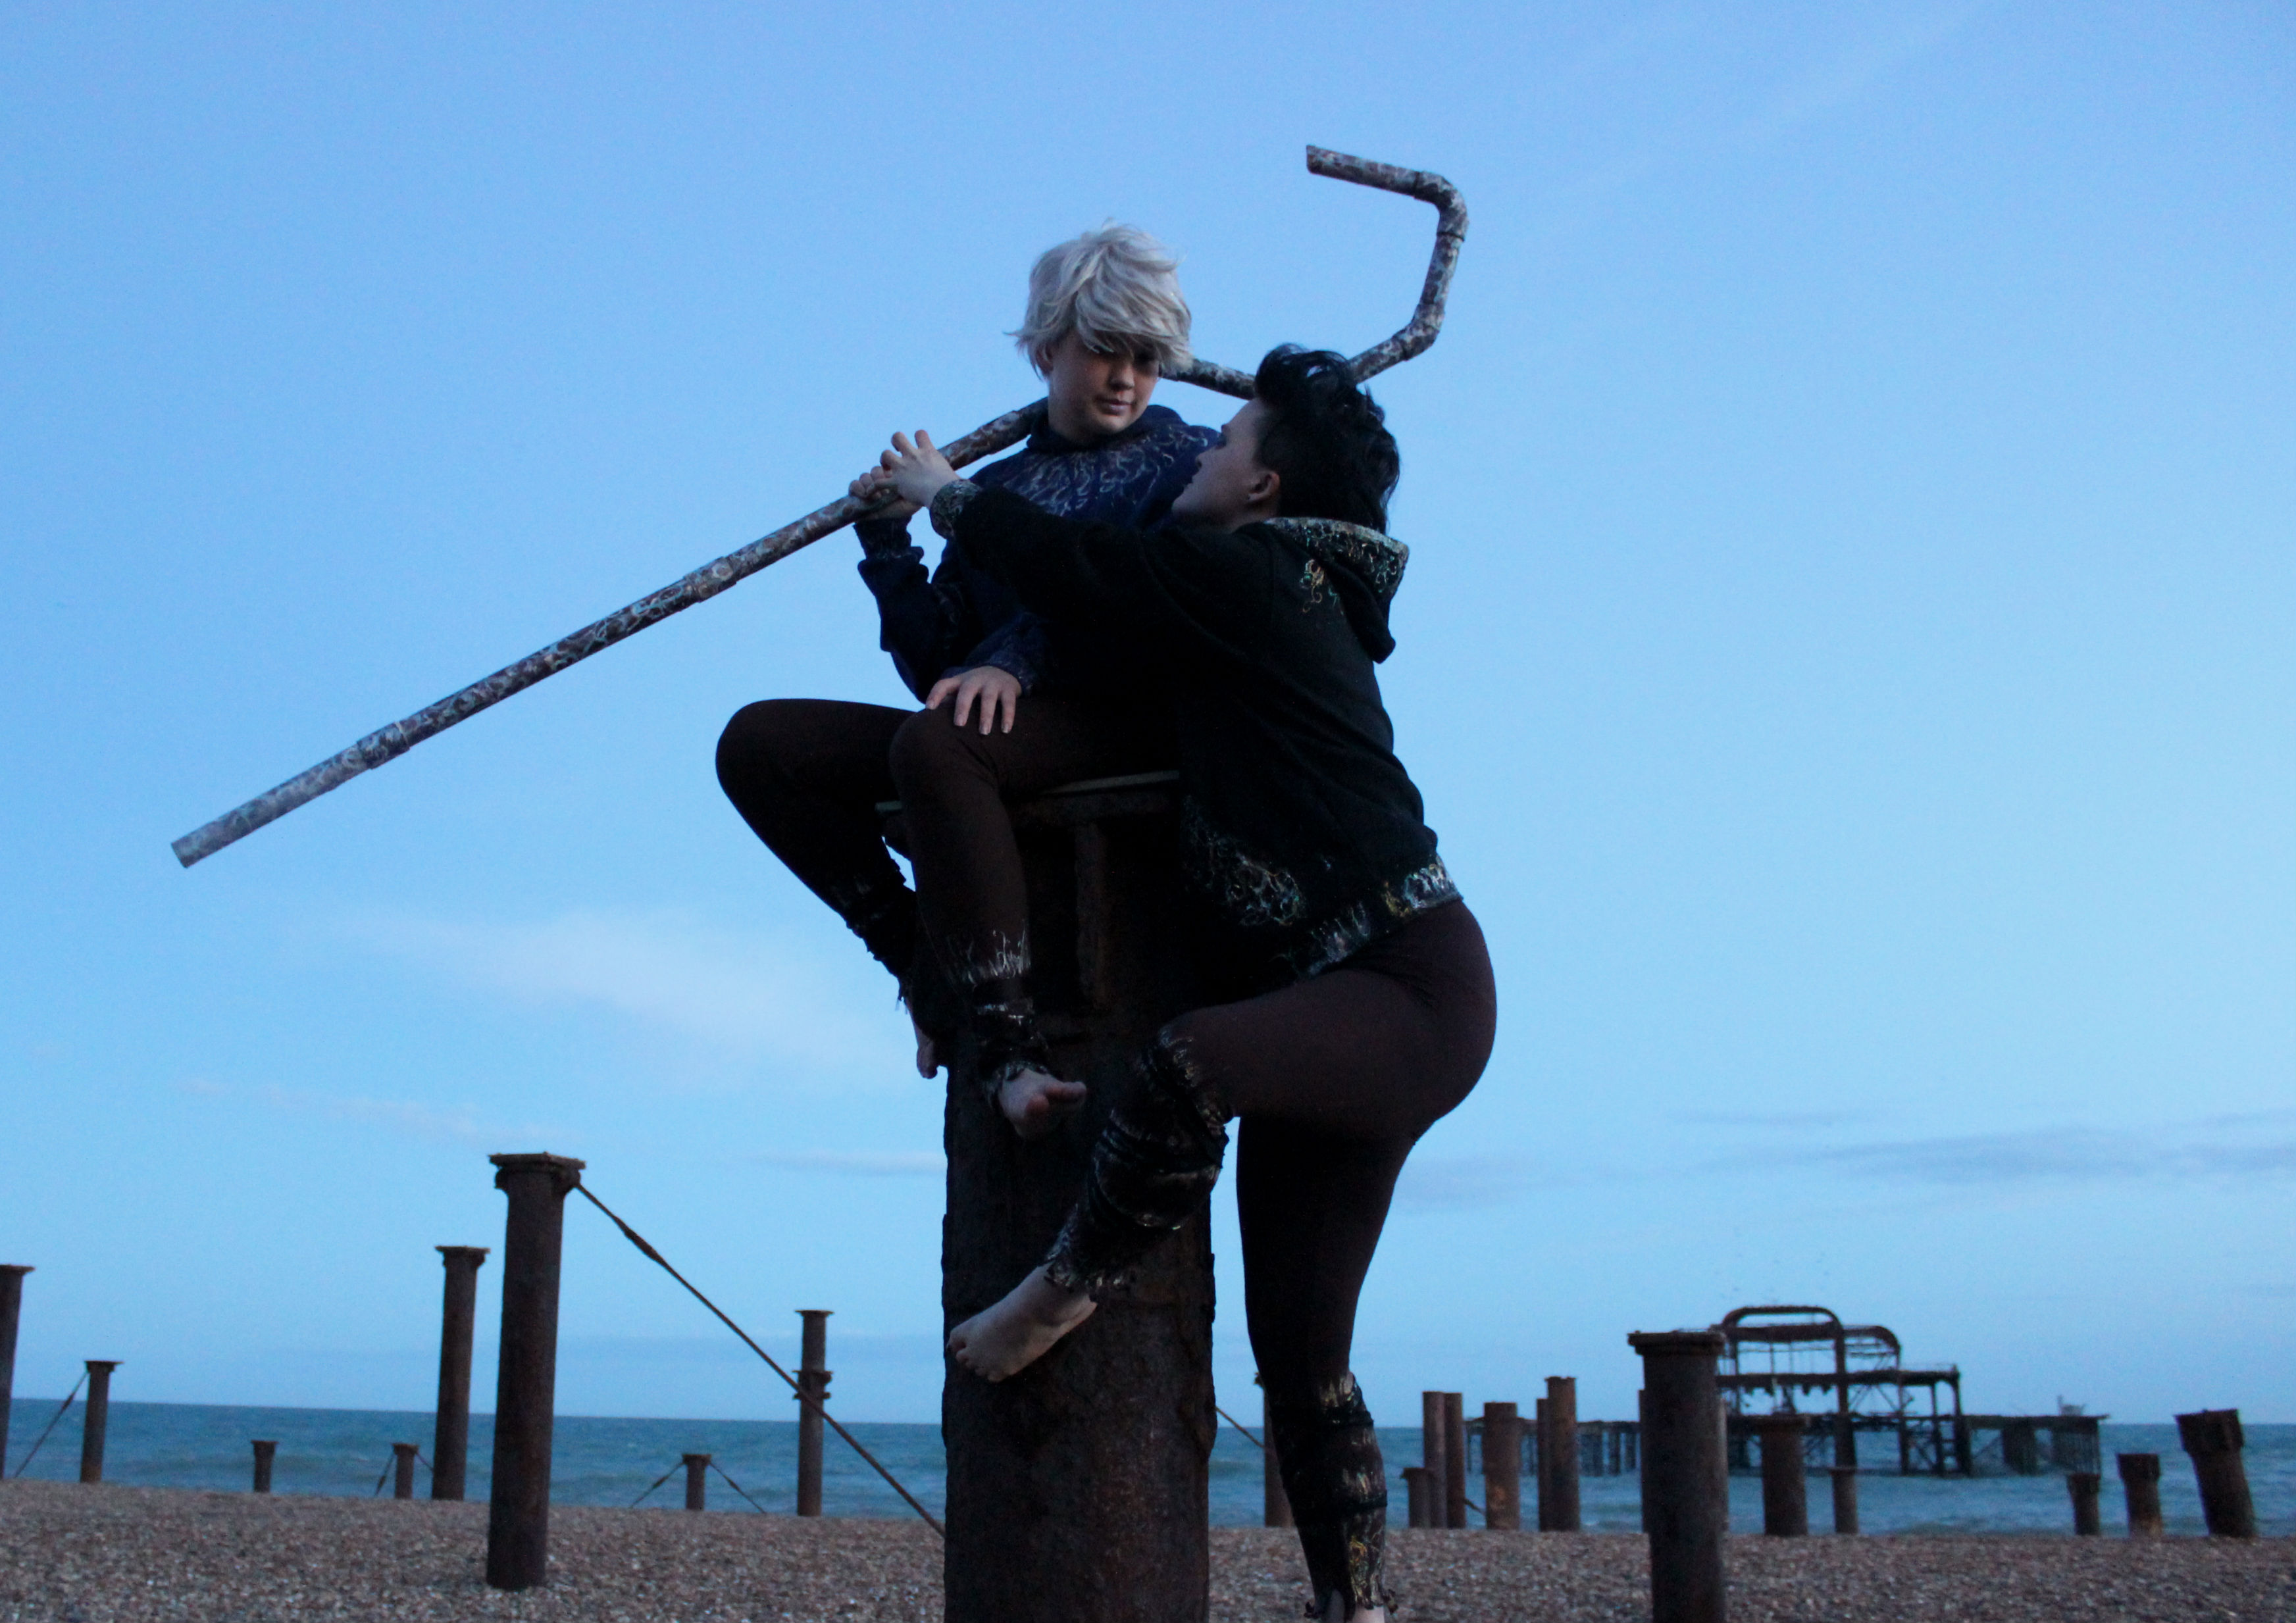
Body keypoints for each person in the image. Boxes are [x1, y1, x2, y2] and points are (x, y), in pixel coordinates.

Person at [865, 347, 1496, 1623]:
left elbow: (1088, 569)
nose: (1202, 450)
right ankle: (1357, 1606)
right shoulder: (1253, 591)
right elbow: (1084, 614)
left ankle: (1053, 1299)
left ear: (1261, 487)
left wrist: (947, 495)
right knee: (1302, 1355)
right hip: (1324, 1014)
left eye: (1228, 441)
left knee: (1186, 1061)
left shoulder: (1261, 575)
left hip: (1405, 985)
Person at [715, 226, 1217, 1126]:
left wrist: (1015, 663)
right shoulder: (1005, 481)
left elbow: (1133, 595)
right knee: (761, 743)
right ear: (1047, 348)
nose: (1126, 379)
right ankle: (918, 961)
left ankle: (1005, 1046)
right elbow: (940, 668)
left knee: (942, 747)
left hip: (1125, 715)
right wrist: (886, 544)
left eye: (1147, 358)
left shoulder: (1190, 460)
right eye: (1105, 350)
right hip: (996, 734)